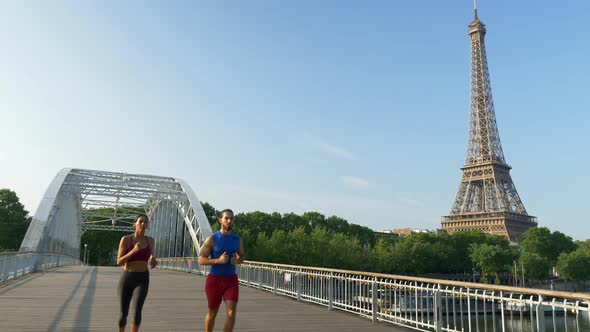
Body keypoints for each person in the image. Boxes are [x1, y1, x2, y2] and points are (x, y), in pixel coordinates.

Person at [198, 209, 245, 332]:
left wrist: (237, 260)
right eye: (226, 218)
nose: (229, 221)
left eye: (232, 218)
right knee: (212, 312)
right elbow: (201, 260)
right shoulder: (212, 239)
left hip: (231, 280)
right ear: (220, 220)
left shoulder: (237, 239)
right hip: (214, 280)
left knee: (231, 311)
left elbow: (242, 256)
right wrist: (217, 261)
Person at [116, 214, 158, 332]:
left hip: (142, 278)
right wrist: (134, 251)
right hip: (127, 277)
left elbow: (150, 256)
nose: (143, 224)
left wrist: (153, 260)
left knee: (137, 311)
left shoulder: (150, 240)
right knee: (123, 313)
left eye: (146, 222)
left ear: (148, 225)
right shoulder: (126, 239)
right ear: (135, 224)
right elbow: (119, 261)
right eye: (140, 222)